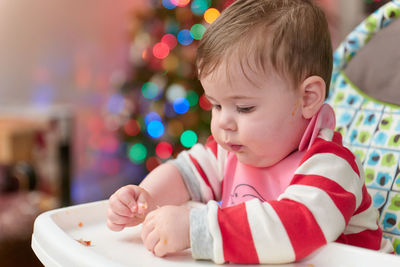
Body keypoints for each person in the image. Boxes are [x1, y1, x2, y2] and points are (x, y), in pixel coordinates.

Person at [107, 0, 393, 264]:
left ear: (307, 98)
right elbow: (185, 172)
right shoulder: (232, 151)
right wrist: (145, 199)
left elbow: (289, 232)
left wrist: (197, 229)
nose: (223, 123)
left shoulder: (331, 168)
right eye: (216, 105)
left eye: (243, 108)